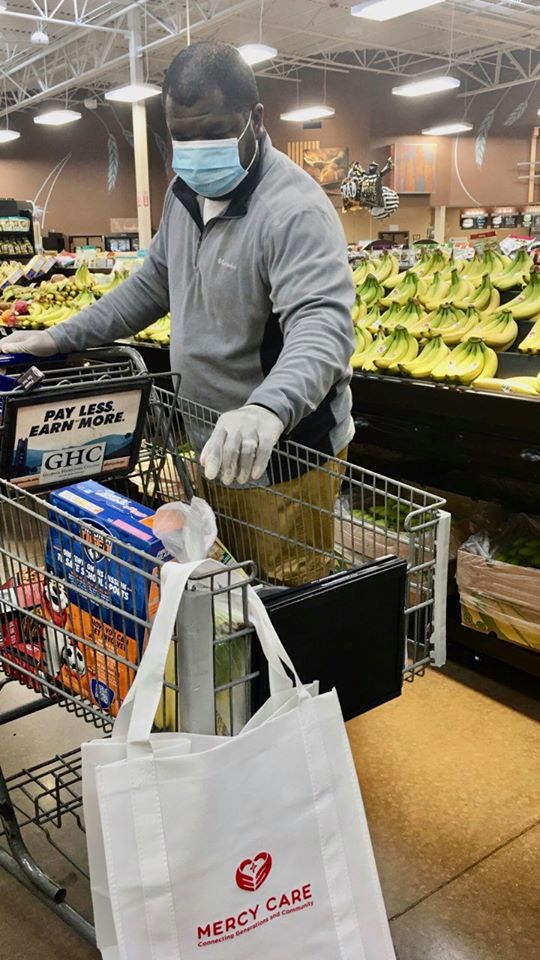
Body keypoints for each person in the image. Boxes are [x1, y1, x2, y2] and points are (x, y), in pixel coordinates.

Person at [1, 41, 355, 584]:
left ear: (254, 119)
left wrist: (267, 410)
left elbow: (323, 328)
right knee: (226, 599)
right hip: (210, 439)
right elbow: (150, 286)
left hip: (284, 453)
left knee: (285, 598)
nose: (193, 150)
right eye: (180, 136)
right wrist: (59, 337)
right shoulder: (183, 192)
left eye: (211, 132)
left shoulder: (294, 210)